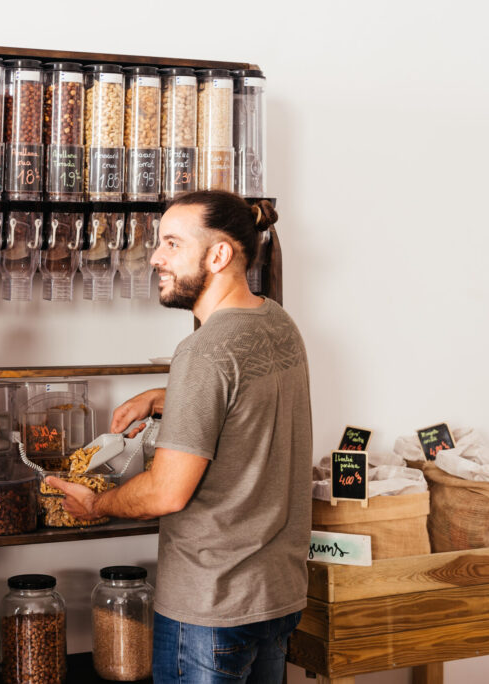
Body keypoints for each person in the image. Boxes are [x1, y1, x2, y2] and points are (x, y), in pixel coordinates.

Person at [47, 190, 311, 683]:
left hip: (210, 609)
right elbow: (241, 402)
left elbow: (166, 492)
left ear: (219, 255)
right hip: (276, 597)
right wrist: (158, 395)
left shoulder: (203, 350)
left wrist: (95, 506)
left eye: (171, 243)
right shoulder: (277, 322)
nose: (155, 257)